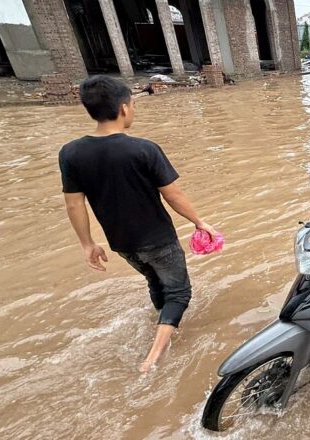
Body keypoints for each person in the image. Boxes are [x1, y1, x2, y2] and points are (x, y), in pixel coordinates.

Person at [59, 75, 216, 373]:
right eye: (132, 103)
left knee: (154, 282)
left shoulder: (71, 153)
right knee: (179, 294)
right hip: (158, 239)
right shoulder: (144, 149)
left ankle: (163, 323)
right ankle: (154, 356)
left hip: (123, 244)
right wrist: (200, 222)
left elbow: (73, 203)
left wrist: (87, 244)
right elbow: (173, 194)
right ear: (123, 108)